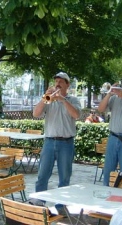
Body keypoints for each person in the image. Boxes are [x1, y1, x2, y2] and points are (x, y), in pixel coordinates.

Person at [30, 72, 81, 211]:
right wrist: (45, 98)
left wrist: (62, 100)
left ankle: (60, 206)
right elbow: (35, 114)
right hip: (49, 142)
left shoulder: (73, 100)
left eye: (61, 81)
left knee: (64, 177)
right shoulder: (48, 99)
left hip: (66, 143)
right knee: (42, 175)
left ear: (67, 84)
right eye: (56, 81)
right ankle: (39, 204)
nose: (57, 84)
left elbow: (76, 115)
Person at [98, 72, 122, 186]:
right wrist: (109, 94)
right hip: (113, 137)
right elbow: (101, 109)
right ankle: (106, 196)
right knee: (108, 170)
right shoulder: (115, 98)